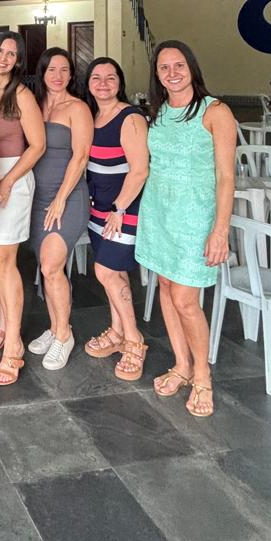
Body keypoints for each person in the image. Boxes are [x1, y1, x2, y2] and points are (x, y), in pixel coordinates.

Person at [135, 41, 236, 419]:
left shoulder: (216, 112)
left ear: (192, 68)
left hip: (195, 217)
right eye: (164, 68)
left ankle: (203, 375)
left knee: (185, 299)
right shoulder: (159, 112)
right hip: (159, 212)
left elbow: (226, 177)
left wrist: (220, 230)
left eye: (179, 65)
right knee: (165, 286)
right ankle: (181, 364)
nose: (172, 73)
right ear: (157, 75)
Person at [0, 33, 45, 386]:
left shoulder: (21, 95)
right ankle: (3, 324)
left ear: (18, 61)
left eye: (12, 54)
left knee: (5, 261)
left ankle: (14, 343)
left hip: (12, 178)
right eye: (0, 51)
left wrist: (5, 183)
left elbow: (37, 146)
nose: (4, 57)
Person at [82, 57, 150, 380]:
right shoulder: (93, 116)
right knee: (114, 273)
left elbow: (140, 170)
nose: (103, 83)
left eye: (110, 77)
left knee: (105, 270)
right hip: (100, 208)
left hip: (124, 210)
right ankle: (117, 331)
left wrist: (119, 209)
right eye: (97, 77)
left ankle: (134, 340)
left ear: (120, 82)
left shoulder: (130, 117)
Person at [27, 48, 93, 370]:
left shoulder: (77, 108)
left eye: (64, 70)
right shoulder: (35, 105)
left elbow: (81, 157)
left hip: (67, 198)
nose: (58, 76)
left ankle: (65, 335)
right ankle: (54, 328)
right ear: (42, 73)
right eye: (51, 69)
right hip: (36, 199)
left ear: (71, 75)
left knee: (52, 266)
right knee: (46, 267)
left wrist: (60, 198)